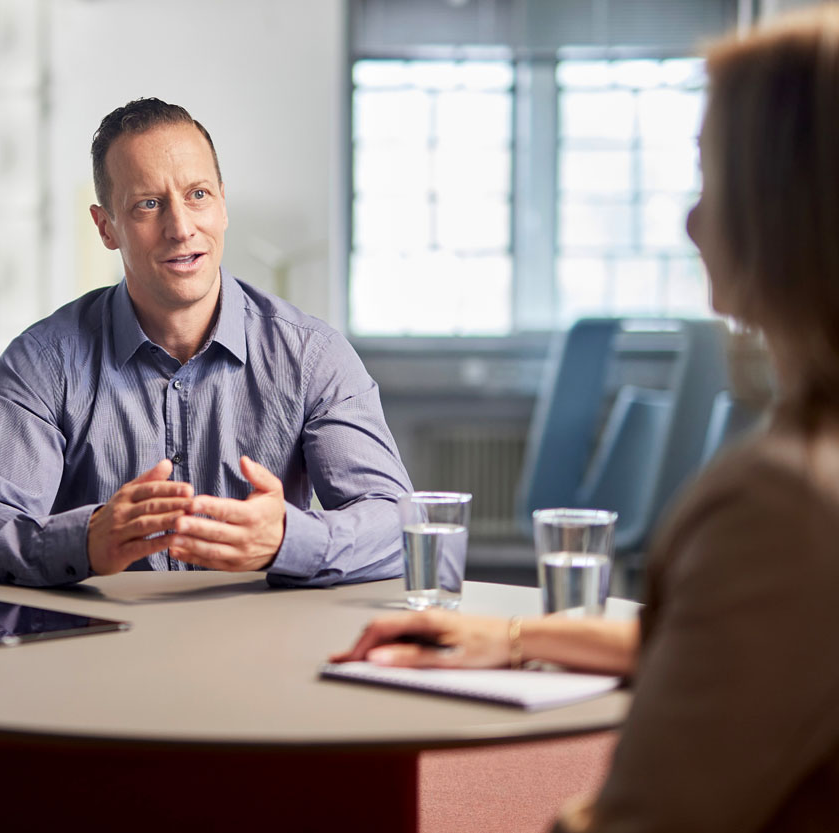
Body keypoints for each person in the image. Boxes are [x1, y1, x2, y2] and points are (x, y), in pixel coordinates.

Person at [333, 6, 839, 830]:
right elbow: (752, 649)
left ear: (782, 210)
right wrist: (512, 639)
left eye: (710, 178)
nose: (688, 220)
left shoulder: (782, 503)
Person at [0, 98, 412, 588]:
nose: (180, 227)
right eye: (148, 204)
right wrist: (84, 540)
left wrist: (285, 540)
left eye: (197, 195)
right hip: (94, 656)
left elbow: (398, 526)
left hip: (261, 653)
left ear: (223, 204)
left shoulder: (312, 356)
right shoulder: (41, 363)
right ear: (106, 227)